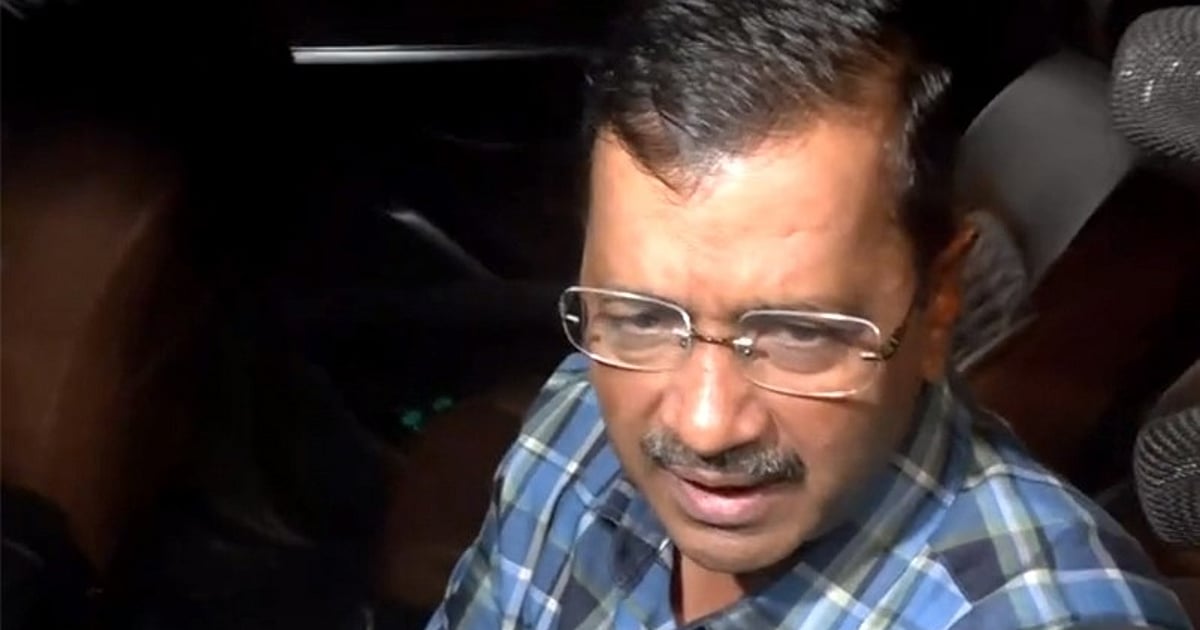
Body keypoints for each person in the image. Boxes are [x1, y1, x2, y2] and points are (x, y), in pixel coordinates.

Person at [426, 0, 1192, 628]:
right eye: (645, 317)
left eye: (796, 332)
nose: (704, 427)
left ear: (938, 304)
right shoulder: (574, 418)